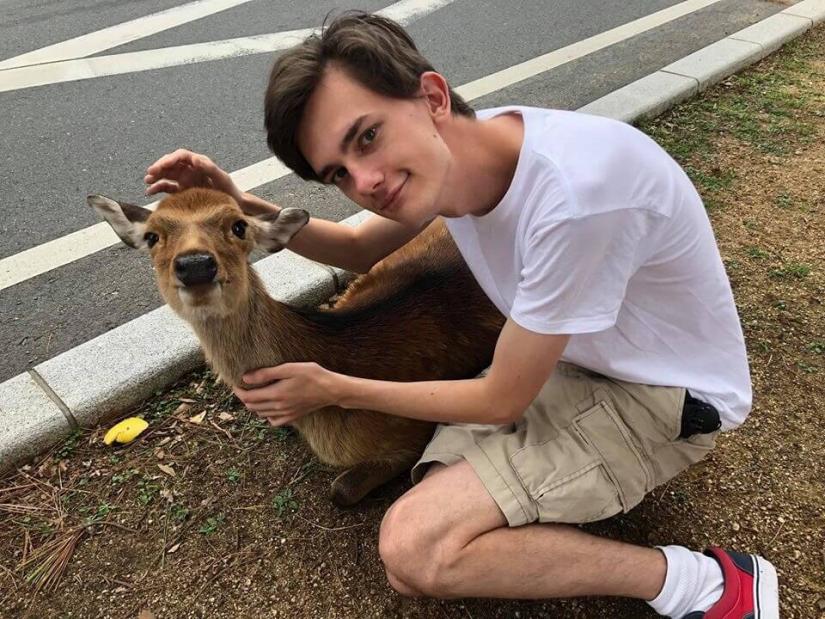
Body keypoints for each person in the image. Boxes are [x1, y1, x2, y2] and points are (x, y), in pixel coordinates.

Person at [144, 12, 778, 618]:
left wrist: (329, 388)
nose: (364, 180)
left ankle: (709, 584)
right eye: (339, 172)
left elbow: (501, 399)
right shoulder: (469, 153)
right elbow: (360, 247)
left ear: (432, 97)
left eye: (367, 136)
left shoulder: (577, 198)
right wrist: (237, 204)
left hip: (662, 396)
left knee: (413, 550)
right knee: (420, 535)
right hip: (579, 360)